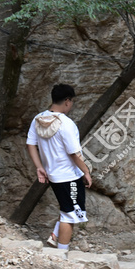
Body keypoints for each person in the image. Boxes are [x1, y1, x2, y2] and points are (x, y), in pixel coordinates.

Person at [26, 84, 92, 251]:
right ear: (67, 101)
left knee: (67, 208)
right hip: (69, 176)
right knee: (70, 216)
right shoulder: (66, 123)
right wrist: (86, 171)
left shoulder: (38, 119)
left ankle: (55, 236)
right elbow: (74, 154)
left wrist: (39, 167)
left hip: (54, 175)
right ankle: (62, 254)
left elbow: (30, 144)